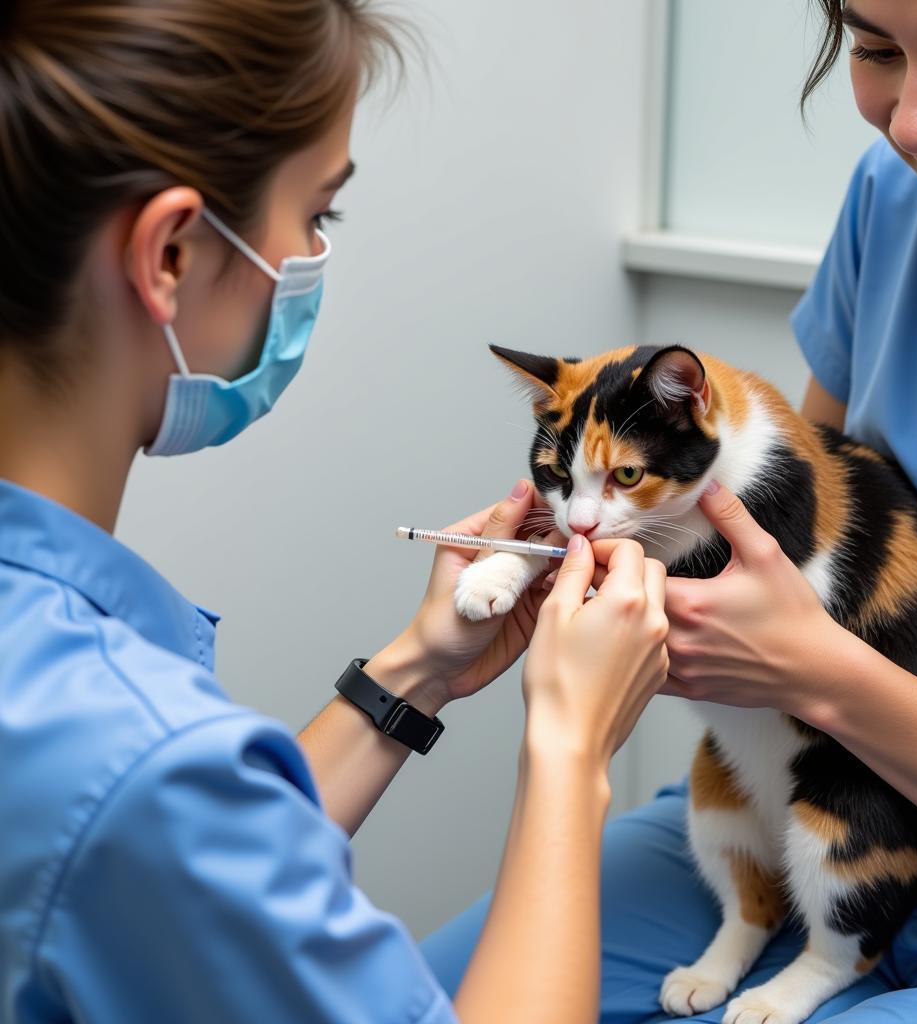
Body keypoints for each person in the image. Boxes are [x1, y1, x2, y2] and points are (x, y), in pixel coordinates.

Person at [0, 2, 674, 1022]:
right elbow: (146, 818)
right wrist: (571, 747)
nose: (315, 250)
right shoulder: (134, 762)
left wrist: (417, 669)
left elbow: (169, 882)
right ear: (172, 253)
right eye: (320, 211)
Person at [424, 1, 917, 1021]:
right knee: (415, 1001)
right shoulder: (899, 195)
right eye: (875, 51)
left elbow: (789, 628)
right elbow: (787, 493)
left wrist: (815, 672)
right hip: (784, 783)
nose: (916, 121)